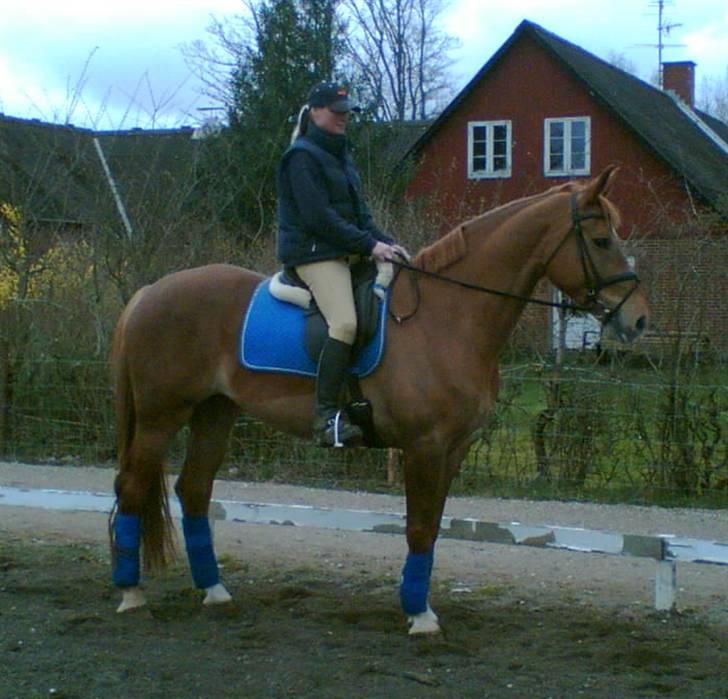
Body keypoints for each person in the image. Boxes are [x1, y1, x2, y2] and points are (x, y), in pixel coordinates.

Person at [276, 81, 406, 447]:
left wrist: (388, 243)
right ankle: (325, 416)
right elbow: (318, 218)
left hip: (347, 251)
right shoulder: (300, 157)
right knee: (345, 323)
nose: (344, 118)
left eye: (347, 112)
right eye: (337, 112)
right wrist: (369, 245)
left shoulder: (341, 156)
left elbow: (360, 215)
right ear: (315, 111)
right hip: (315, 254)